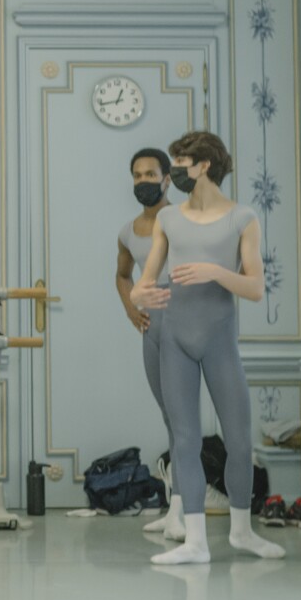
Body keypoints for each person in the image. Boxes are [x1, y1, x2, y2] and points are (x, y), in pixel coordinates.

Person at [130, 130, 283, 564]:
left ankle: (242, 532)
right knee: (185, 439)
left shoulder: (242, 218)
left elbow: (254, 288)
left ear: (204, 167)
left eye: (181, 163)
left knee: (238, 439)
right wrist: (141, 298)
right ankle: (195, 542)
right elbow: (143, 285)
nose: (174, 170)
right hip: (175, 336)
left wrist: (214, 273)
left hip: (218, 340)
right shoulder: (168, 220)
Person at [117, 146, 181, 540]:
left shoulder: (180, 219)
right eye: (137, 175)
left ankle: (185, 511)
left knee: (183, 417)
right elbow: (123, 276)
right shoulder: (128, 231)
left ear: (167, 178)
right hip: (151, 328)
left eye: (150, 174)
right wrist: (130, 310)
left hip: (182, 322)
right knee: (169, 416)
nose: (144, 181)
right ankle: (175, 505)